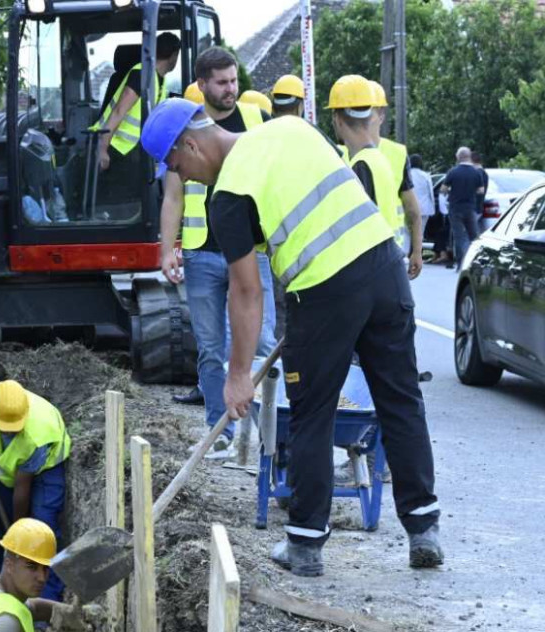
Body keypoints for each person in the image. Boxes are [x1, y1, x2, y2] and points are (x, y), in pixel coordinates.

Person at [141, 100, 443, 574]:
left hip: (324, 293)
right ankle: (424, 528)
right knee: (400, 399)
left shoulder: (228, 195)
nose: (184, 178)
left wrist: (237, 375)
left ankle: (304, 543)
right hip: (385, 271)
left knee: (311, 415)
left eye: (177, 166)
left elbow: (246, 291)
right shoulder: (290, 128)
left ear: (191, 144)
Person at [159, 47, 276, 459]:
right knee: (210, 347)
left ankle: (267, 434)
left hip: (251, 249)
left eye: (234, 80)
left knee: (261, 341)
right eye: (223, 82)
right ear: (202, 84)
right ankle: (220, 430)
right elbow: (173, 196)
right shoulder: (185, 127)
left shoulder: (256, 121)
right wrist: (167, 249)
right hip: (202, 253)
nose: (232, 89)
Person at [0, 380, 72, 600]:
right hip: (12, 462)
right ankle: (5, 581)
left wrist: (20, 530)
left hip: (49, 464)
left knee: (43, 529)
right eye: (6, 427)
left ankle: (46, 600)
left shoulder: (36, 437)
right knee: (4, 526)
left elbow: (22, 490)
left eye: (15, 426)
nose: (11, 431)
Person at [327, 75, 422, 279]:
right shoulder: (375, 157)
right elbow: (411, 210)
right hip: (389, 259)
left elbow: (357, 228)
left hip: (375, 264)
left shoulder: (367, 160)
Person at [90, 33, 182, 184]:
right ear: (174, 56)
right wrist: (102, 148)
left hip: (129, 150)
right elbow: (119, 110)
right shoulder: (141, 74)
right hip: (113, 147)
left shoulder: (159, 79)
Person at [441, 146, 484, 267]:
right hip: (470, 207)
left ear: (458, 157)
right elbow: (481, 190)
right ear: (469, 156)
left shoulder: (453, 172)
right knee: (473, 236)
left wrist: (451, 190)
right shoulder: (476, 172)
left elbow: (443, 189)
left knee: (459, 236)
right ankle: (474, 262)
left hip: (455, 208)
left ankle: (460, 263)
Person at [409, 154, 434, 257]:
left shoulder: (407, 174)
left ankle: (409, 252)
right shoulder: (425, 175)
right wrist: (433, 208)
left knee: (408, 231)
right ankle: (418, 252)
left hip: (409, 206)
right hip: (424, 208)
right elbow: (431, 193)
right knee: (420, 231)